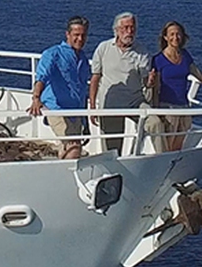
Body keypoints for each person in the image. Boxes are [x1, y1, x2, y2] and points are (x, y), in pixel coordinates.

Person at [147, 20, 202, 151]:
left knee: (178, 146)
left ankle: (175, 168)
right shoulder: (158, 60)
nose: (175, 37)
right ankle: (167, 169)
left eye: (178, 34)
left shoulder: (185, 55)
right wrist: (157, 110)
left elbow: (201, 76)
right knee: (167, 147)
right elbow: (155, 88)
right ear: (165, 37)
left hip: (184, 107)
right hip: (168, 109)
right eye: (171, 34)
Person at [87, 11, 150, 154]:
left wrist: (150, 81)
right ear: (116, 30)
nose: (130, 31)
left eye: (132, 27)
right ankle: (115, 173)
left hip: (135, 102)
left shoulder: (141, 51)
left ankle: (158, 159)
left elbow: (146, 82)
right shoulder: (103, 48)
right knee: (112, 148)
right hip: (111, 105)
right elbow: (95, 78)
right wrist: (92, 107)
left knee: (155, 123)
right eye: (125, 28)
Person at [29, 16, 91, 159]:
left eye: (83, 35)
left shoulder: (83, 59)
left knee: (68, 148)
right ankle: (68, 180)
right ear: (67, 34)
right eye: (76, 35)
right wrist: (36, 98)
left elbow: (81, 91)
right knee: (74, 147)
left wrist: (85, 121)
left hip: (75, 112)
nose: (80, 39)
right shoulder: (53, 54)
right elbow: (41, 77)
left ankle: (60, 175)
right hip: (56, 108)